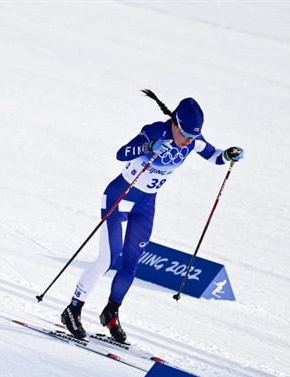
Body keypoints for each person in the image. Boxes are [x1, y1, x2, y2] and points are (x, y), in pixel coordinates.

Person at [60, 89, 244, 343]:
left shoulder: (192, 139)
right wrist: (148, 146)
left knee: (131, 263)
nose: (188, 142)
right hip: (120, 196)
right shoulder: (156, 131)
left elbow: (214, 156)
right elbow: (121, 153)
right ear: (175, 123)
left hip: (146, 205)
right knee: (108, 258)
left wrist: (228, 155)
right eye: (185, 135)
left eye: (193, 137)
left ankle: (111, 313)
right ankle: (73, 308)